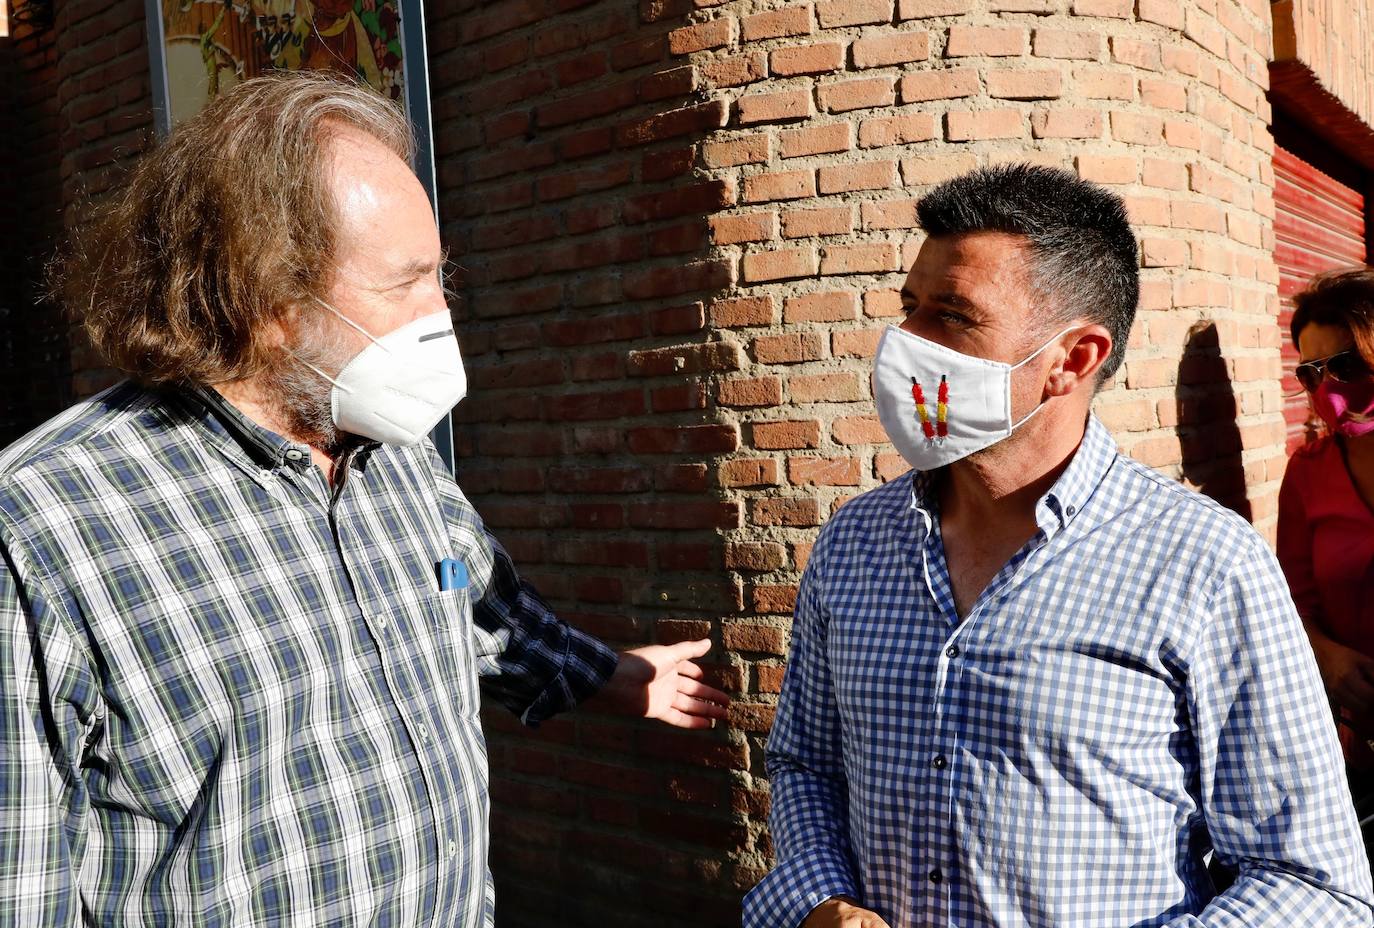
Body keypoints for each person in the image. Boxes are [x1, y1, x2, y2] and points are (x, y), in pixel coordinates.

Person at [0, 71, 728, 926]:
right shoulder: (43, 525)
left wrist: (610, 675)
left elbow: (474, 612)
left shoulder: (398, 456)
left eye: (440, 277)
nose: (440, 314)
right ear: (265, 299)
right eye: (405, 284)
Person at [743, 164, 1373, 928]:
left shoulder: (1204, 564)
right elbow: (804, 763)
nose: (903, 344)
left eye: (951, 315)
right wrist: (818, 904)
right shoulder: (853, 544)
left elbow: (1312, 884)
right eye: (909, 308)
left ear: (1071, 360)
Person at [1277, 267, 1374, 846]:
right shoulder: (1307, 475)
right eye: (1312, 372)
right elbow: (1292, 601)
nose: (1327, 393)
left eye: (1347, 366)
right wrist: (1330, 659)